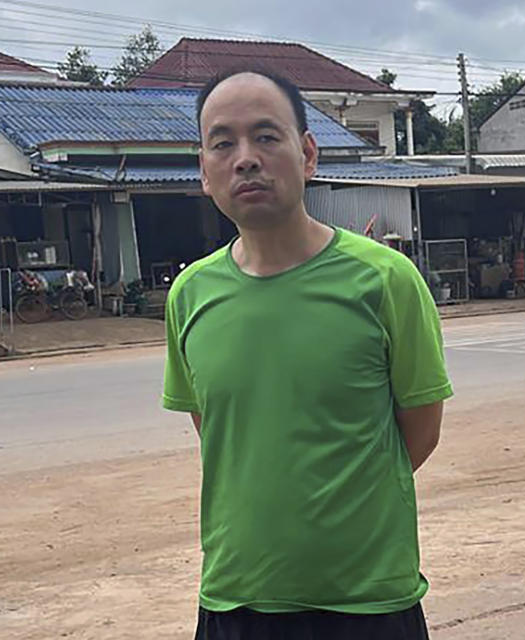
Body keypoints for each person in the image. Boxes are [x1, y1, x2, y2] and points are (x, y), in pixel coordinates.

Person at [162, 69, 453, 640]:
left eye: (267, 137)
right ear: (204, 171)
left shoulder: (385, 280)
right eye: (223, 143)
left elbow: (416, 436)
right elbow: (221, 434)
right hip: (236, 600)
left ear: (308, 153)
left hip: (367, 604)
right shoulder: (189, 296)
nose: (245, 158)